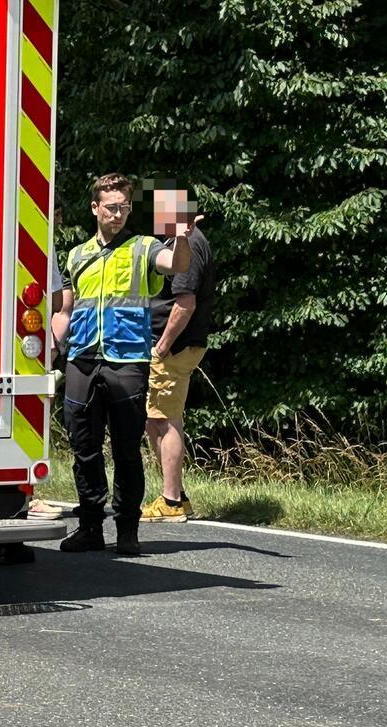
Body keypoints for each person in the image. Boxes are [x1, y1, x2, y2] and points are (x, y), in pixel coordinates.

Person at [27, 173, 199, 556]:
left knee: (125, 449)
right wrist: (52, 346)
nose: (119, 214)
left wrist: (183, 234)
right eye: (111, 207)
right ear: (95, 208)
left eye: (124, 207)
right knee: (83, 447)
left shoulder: (144, 247)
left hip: (128, 362)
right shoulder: (77, 254)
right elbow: (65, 307)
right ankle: (90, 526)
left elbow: (175, 263)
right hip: (83, 360)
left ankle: (127, 530)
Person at [143, 186, 214, 522]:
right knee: (155, 418)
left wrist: (162, 345)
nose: (158, 218)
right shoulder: (184, 242)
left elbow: (185, 303)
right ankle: (177, 496)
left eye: (162, 211)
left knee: (163, 420)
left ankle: (170, 501)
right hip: (179, 346)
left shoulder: (188, 244)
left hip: (174, 347)